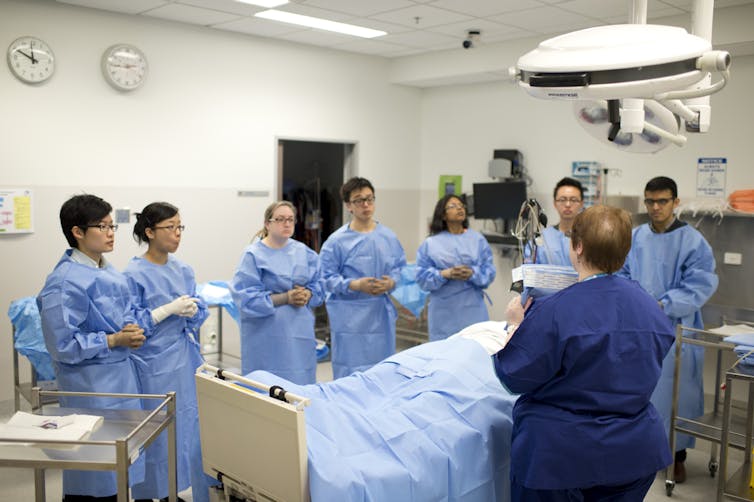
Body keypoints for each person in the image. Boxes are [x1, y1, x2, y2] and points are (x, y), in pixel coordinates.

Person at [494, 205, 676, 502]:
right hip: (633, 452)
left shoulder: (555, 310)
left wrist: (515, 327)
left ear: (576, 246)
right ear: (625, 250)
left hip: (560, 457)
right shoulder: (650, 307)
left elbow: (513, 376)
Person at [37, 194, 147, 502]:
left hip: (121, 383)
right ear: (77, 232)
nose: (111, 233)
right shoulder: (64, 282)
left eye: (113, 226)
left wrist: (131, 331)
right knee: (91, 477)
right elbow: (62, 345)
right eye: (102, 226)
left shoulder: (109, 272)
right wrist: (113, 340)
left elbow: (122, 314)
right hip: (90, 389)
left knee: (119, 473)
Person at [618, 176, 718, 483]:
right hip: (638, 329)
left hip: (677, 330)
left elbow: (700, 284)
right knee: (638, 393)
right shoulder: (635, 237)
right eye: (650, 201)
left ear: (676, 202)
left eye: (662, 201)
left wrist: (663, 305)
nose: (655, 207)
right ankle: (638, 453)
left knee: (677, 396)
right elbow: (621, 274)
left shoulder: (692, 241)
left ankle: (677, 456)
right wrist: (636, 304)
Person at [123, 202, 214, 502]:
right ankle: (152, 494)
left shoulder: (183, 269)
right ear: (149, 232)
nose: (177, 234)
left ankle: (174, 491)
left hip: (183, 360)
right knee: (155, 434)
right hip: (151, 364)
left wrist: (193, 310)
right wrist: (164, 311)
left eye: (180, 227)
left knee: (185, 429)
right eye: (170, 228)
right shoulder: (132, 274)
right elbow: (131, 325)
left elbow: (199, 312)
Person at [320, 177, 407, 378]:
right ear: (349, 206)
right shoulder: (337, 241)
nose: (366, 205)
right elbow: (324, 278)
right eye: (359, 200)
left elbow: (401, 268)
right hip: (349, 319)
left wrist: (391, 282)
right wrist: (355, 284)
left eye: (370, 199)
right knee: (350, 372)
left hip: (380, 316)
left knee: (382, 370)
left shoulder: (388, 237)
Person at [231, 201, 324, 384]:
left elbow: (320, 285)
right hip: (265, 337)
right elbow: (246, 298)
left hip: (299, 335)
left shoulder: (304, 253)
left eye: (290, 219)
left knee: (298, 388)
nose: (286, 224)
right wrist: (285, 298)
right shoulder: (253, 255)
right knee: (265, 389)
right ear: (268, 224)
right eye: (280, 219)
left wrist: (309, 294)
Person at [416, 194, 496, 341]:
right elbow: (422, 278)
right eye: (453, 206)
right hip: (443, 311)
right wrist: (444, 274)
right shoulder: (431, 244)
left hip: (472, 309)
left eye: (461, 205)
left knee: (474, 350)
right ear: (443, 215)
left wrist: (472, 272)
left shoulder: (477, 240)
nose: (459, 208)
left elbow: (489, 271)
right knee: (444, 355)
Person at [536, 177, 584, 265]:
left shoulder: (591, 238)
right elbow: (529, 272)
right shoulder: (542, 238)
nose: (568, 204)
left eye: (573, 200)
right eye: (562, 200)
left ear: (581, 204)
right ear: (555, 203)